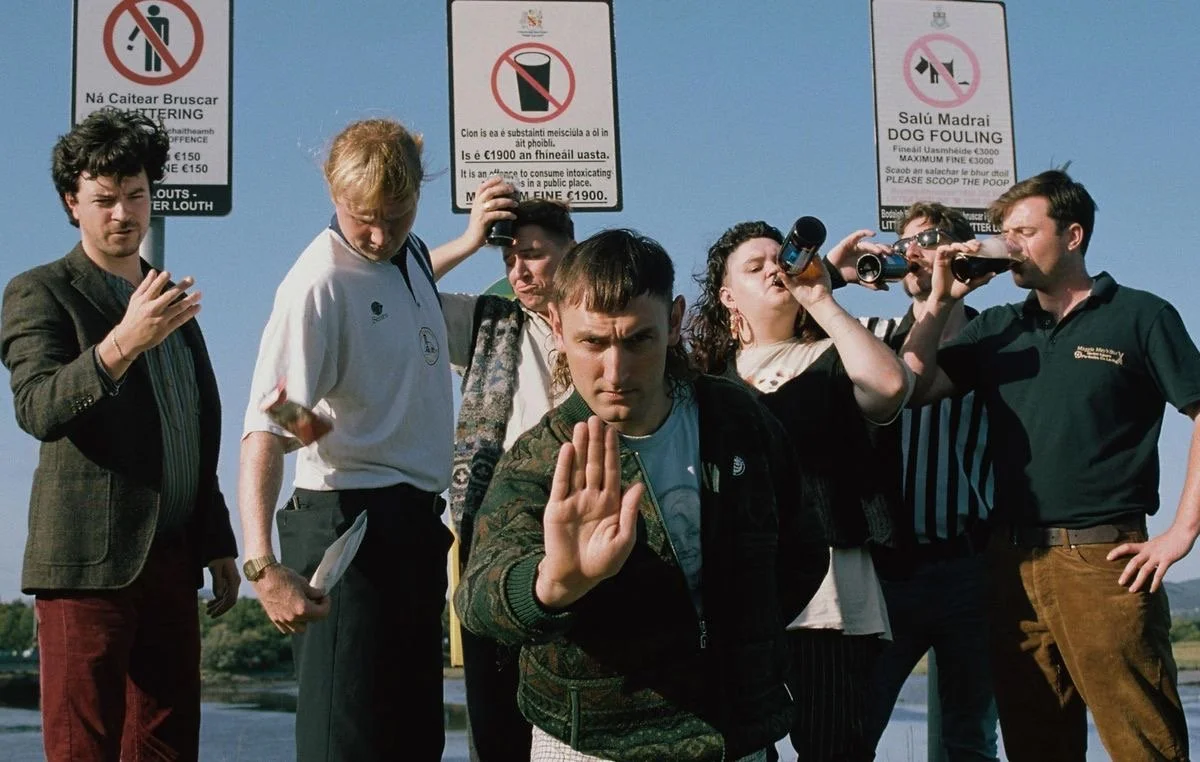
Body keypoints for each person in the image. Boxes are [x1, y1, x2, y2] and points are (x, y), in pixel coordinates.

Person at [455, 229, 830, 762]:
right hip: (594, 744)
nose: (616, 371)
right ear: (558, 328)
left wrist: (743, 641)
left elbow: (803, 548)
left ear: (674, 322)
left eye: (637, 340)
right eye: (593, 343)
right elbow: (478, 600)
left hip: (736, 735)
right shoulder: (542, 458)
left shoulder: (738, 420)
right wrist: (556, 584)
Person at [901, 169, 1200, 761]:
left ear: (1073, 235)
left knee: (1145, 744)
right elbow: (909, 386)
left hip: (1105, 561)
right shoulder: (997, 327)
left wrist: (1182, 533)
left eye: (1025, 231)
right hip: (1009, 564)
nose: (1009, 244)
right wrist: (937, 302)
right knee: (1035, 747)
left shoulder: (1140, 316)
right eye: (1003, 232)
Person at [0, 107, 239, 761]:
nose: (123, 213)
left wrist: (216, 542)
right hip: (85, 568)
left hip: (171, 561)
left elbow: (189, 432)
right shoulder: (39, 291)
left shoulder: (171, 304)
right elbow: (38, 408)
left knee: (166, 748)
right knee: (84, 749)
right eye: (104, 200)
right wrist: (120, 345)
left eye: (136, 195)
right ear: (71, 202)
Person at [239, 118, 454, 761]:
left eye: (399, 213)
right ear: (333, 194)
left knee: (414, 740)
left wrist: (470, 239)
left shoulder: (408, 255)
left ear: (420, 191)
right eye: (364, 218)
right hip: (345, 528)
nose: (381, 234)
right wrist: (263, 563)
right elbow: (265, 427)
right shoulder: (316, 285)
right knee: (347, 743)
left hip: (416, 525)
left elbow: (309, 407)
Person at [687, 221, 911, 761]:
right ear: (725, 296)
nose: (773, 269)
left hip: (828, 598)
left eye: (779, 259)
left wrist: (819, 294)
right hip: (734, 592)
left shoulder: (836, 354)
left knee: (834, 748)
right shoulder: (702, 380)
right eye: (754, 265)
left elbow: (891, 387)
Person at [840, 202, 999, 761]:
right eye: (904, 241)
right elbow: (793, 316)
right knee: (855, 726)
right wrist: (840, 274)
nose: (912, 251)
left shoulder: (994, 336)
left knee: (969, 737)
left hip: (971, 566)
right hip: (889, 570)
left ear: (957, 252)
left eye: (927, 240)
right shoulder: (874, 334)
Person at [431, 177, 576, 762]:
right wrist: (468, 240)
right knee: (496, 716)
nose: (519, 270)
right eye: (510, 257)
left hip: (579, 526)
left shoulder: (607, 322)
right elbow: (395, 279)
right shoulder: (486, 320)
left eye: (534, 254)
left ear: (572, 251)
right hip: (493, 534)